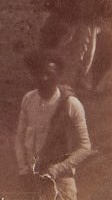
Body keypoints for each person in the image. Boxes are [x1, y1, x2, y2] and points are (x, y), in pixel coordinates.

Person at [15, 50, 93, 200]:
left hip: (62, 182)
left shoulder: (71, 104)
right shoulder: (28, 100)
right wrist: (23, 169)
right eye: (39, 74)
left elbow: (85, 147)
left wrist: (56, 169)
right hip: (34, 180)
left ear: (58, 76)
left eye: (49, 74)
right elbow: (20, 138)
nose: (44, 78)